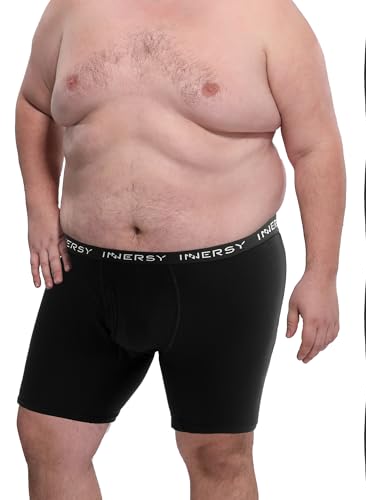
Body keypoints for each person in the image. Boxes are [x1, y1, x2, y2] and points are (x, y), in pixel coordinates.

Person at [15, 0, 345, 498]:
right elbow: (35, 103)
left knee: (217, 455)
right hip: (85, 270)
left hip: (222, 279)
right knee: (47, 437)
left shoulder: (269, 17)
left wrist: (321, 274)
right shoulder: (72, 8)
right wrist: (40, 208)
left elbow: (316, 146)